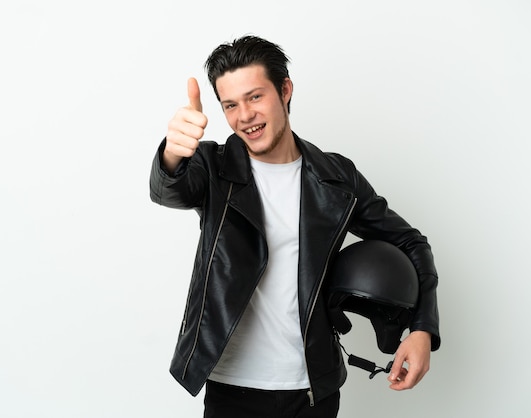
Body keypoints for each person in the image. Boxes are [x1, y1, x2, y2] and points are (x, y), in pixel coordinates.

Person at [149, 35, 440, 418]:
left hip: (312, 390)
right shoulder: (213, 167)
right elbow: (168, 190)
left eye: (255, 97)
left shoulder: (336, 177)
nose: (245, 116)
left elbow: (410, 242)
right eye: (230, 105)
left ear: (284, 89)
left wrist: (421, 330)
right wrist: (172, 153)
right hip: (232, 389)